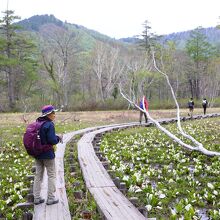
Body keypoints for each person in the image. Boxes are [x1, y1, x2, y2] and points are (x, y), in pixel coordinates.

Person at [33, 105, 62, 205]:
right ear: (48, 114)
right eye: (53, 113)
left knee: (38, 176)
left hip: (37, 154)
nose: (55, 115)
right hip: (48, 154)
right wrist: (58, 138)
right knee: (51, 175)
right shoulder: (49, 124)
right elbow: (52, 140)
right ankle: (50, 198)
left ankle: (36, 198)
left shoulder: (37, 123)